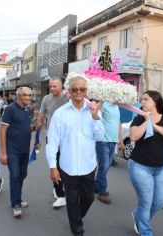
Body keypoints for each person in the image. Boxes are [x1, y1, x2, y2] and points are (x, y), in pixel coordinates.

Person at [46, 75, 104, 236]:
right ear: (69, 92)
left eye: (82, 89)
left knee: (88, 198)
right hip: (67, 166)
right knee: (72, 201)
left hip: (88, 165)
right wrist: (53, 167)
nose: (79, 92)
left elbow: (100, 137)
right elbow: (52, 142)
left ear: (86, 91)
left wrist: (95, 117)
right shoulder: (60, 113)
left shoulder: (94, 110)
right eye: (74, 89)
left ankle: (77, 216)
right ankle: (77, 230)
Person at [128, 91, 163, 236]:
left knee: (161, 201)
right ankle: (146, 232)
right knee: (146, 201)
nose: (142, 102)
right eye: (141, 99)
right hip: (139, 166)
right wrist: (146, 121)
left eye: (146, 99)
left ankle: (138, 216)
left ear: (156, 101)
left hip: (161, 168)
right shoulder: (138, 119)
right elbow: (133, 136)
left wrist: (154, 126)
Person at [0, 87, 35, 218]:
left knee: (22, 175)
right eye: (25, 95)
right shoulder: (10, 109)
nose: (28, 97)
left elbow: (23, 127)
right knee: (15, 176)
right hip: (12, 150)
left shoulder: (27, 109)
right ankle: (15, 203)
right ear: (18, 96)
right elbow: (3, 131)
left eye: (29, 95)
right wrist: (3, 153)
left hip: (25, 150)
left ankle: (17, 198)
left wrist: (33, 129)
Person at [38, 77, 69, 208]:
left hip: (67, 137)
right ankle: (59, 191)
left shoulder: (67, 97)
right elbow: (42, 113)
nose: (52, 89)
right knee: (54, 163)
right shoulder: (46, 99)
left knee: (65, 164)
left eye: (54, 86)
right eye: (50, 86)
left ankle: (60, 186)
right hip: (52, 136)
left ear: (62, 86)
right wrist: (39, 124)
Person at [95, 101, 124, 204]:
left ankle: (96, 185)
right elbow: (95, 112)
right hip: (103, 140)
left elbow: (118, 122)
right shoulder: (103, 103)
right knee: (104, 166)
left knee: (106, 167)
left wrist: (120, 139)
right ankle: (102, 192)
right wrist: (100, 102)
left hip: (113, 141)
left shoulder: (117, 106)